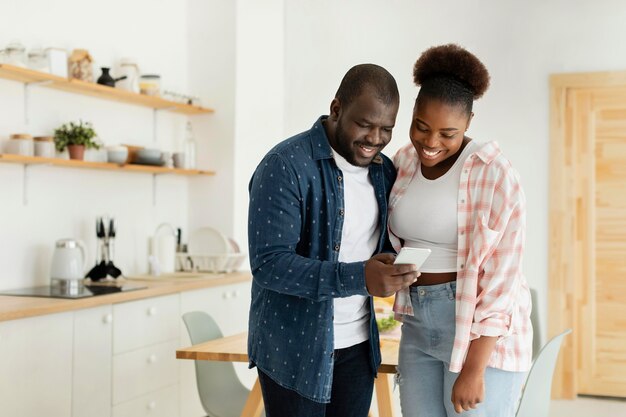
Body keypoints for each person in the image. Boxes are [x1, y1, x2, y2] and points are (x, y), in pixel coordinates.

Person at [247, 63, 419, 417]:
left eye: (386, 128)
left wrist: (392, 270)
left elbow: (374, 246)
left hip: (357, 347)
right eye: (365, 124)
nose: (375, 138)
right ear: (336, 109)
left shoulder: (384, 171)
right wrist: (359, 277)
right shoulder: (285, 164)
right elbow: (268, 264)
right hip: (293, 350)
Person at [388, 44, 533, 417]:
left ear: (469, 122)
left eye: (447, 133)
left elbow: (503, 278)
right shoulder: (402, 161)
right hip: (417, 323)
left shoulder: (495, 173)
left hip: (474, 329)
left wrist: (474, 368)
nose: (431, 143)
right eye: (421, 127)